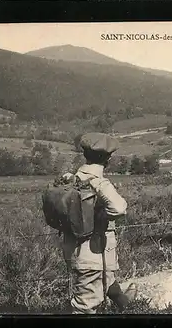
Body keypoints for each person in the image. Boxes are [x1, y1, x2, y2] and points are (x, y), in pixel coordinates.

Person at [61, 132, 137, 314]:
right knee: (84, 307)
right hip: (93, 255)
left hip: (74, 250)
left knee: (106, 278)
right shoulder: (98, 182)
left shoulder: (71, 178)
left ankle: (123, 303)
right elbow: (119, 208)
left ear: (85, 155)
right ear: (108, 158)